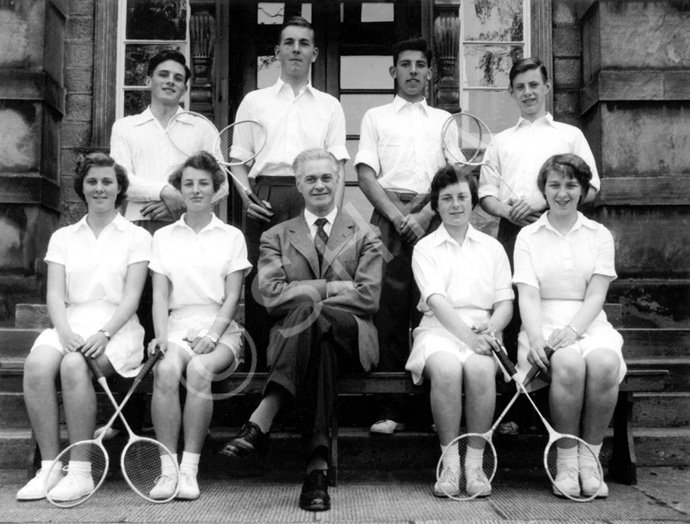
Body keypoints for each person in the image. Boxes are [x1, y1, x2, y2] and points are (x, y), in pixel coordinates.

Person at [219, 149, 383, 512]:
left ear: (338, 180)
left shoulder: (367, 233)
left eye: (327, 177)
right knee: (318, 344)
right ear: (298, 185)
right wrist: (331, 289)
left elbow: (369, 298)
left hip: (352, 339)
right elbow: (271, 298)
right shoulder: (275, 236)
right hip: (308, 345)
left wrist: (309, 298)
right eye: (311, 178)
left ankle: (263, 418)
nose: (320, 184)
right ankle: (317, 472)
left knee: (314, 318)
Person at [103, 49, 228, 440]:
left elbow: (219, 182)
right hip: (141, 228)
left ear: (185, 86)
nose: (170, 81)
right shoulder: (127, 127)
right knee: (140, 322)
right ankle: (130, 422)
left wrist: (181, 203)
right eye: (163, 75)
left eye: (178, 77)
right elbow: (121, 177)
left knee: (175, 321)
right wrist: (163, 190)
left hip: (188, 231)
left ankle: (192, 419)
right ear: (149, 81)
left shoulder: (201, 127)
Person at [17, 153, 151, 501]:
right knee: (36, 365)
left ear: (120, 188)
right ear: (82, 187)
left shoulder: (136, 237)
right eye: (92, 181)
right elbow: (55, 295)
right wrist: (63, 331)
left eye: (107, 181)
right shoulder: (64, 236)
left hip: (117, 329)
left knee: (74, 365)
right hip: (71, 324)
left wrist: (104, 334)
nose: (99, 188)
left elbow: (131, 299)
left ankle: (81, 470)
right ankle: (50, 467)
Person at [478, 57, 601, 434]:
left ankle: (549, 413)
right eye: (520, 87)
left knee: (548, 311)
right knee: (514, 314)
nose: (528, 93)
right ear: (512, 93)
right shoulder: (500, 141)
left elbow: (592, 188)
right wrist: (509, 212)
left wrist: (544, 202)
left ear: (546, 87)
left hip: (559, 232)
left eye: (534, 85)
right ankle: (514, 408)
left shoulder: (570, 135)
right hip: (515, 236)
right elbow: (486, 196)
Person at [229, 16, 349, 368]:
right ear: (278, 51)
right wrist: (247, 197)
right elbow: (238, 159)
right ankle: (263, 374)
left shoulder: (330, 106)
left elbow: (338, 166)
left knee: (310, 283)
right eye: (289, 43)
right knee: (263, 286)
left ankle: (303, 372)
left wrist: (334, 218)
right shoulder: (254, 101)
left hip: (313, 198)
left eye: (304, 44)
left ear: (314, 53)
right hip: (265, 197)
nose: (296, 49)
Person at [513, 153, 626, 499]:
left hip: (588, 323)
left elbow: (596, 295)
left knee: (605, 364)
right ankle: (565, 462)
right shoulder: (528, 236)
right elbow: (528, 296)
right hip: (542, 323)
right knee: (569, 364)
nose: (562, 193)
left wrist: (574, 330)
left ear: (583, 190)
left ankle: (590, 459)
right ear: (543, 190)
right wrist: (535, 338)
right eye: (554, 185)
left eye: (571, 185)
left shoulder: (599, 234)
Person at [355, 36, 450, 434]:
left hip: (434, 218)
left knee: (434, 309)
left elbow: (452, 177)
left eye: (420, 65)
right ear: (393, 71)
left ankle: (435, 408)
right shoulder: (376, 117)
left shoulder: (445, 121)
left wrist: (427, 213)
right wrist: (397, 217)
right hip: (389, 219)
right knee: (389, 312)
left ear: (430, 72)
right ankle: (390, 408)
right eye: (405, 64)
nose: (413, 71)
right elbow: (365, 174)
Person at [146, 152, 250, 500]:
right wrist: (161, 336)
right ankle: (167, 469)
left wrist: (212, 335)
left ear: (216, 189)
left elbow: (233, 297)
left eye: (203, 183)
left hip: (221, 327)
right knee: (165, 371)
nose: (195, 190)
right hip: (176, 325)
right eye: (188, 183)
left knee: (200, 369)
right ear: (180, 188)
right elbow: (160, 296)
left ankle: (189, 470)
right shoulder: (162, 237)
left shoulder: (232, 236)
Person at [405, 165, 513, 498]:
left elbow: (505, 303)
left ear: (473, 201)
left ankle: (475, 465)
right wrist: (469, 338)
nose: (455, 205)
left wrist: (491, 326)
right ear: (435, 205)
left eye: (462, 197)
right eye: (446, 198)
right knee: (449, 370)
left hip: (484, 330)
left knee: (481, 370)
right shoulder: (425, 248)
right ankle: (450, 463)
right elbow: (436, 301)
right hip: (438, 330)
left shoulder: (492, 248)